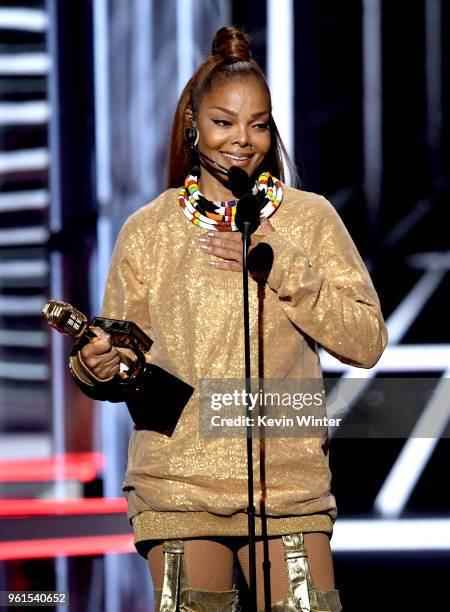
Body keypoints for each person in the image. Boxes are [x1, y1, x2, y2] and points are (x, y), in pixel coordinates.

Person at [70, 26, 387, 611]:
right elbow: (126, 361)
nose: (243, 139)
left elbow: (366, 340)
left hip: (289, 490)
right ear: (193, 124)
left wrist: (277, 262)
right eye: (224, 122)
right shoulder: (149, 231)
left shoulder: (308, 221)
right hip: (178, 487)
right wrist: (98, 365)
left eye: (259, 123)